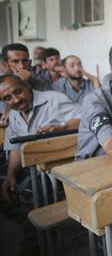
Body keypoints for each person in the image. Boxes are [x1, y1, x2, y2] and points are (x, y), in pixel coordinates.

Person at [0, 74, 81, 202]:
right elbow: (16, 147)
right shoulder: (14, 115)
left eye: (18, 91)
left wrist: (62, 126)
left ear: (26, 86)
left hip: (60, 168)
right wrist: (11, 175)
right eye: (7, 98)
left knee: (27, 190)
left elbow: (86, 119)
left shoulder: (54, 99)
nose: (16, 100)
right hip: (34, 166)